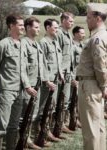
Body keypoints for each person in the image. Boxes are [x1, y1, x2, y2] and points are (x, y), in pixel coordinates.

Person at [0, 14, 25, 150]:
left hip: (20, 90)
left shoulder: (22, 44)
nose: (23, 27)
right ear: (11, 26)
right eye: (20, 25)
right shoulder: (2, 45)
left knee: (14, 125)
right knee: (1, 126)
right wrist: (1, 82)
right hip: (6, 90)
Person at [77, 3, 107, 150]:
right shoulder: (102, 35)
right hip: (95, 86)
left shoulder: (97, 39)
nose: (86, 20)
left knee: (91, 131)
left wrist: (103, 86)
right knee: (99, 128)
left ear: (97, 18)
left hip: (90, 86)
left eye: (89, 17)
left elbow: (100, 66)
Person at [21, 16, 53, 149]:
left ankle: (29, 139)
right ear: (28, 27)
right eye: (36, 27)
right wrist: (27, 85)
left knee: (32, 114)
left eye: (39, 27)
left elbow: (42, 65)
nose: (39, 30)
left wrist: (46, 80)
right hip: (27, 86)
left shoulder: (37, 44)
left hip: (37, 85)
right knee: (24, 115)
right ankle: (22, 140)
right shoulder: (23, 44)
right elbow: (22, 67)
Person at [38, 18, 62, 142]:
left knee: (51, 107)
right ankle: (41, 134)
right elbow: (42, 63)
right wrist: (47, 80)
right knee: (44, 108)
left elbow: (57, 61)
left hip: (55, 80)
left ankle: (47, 131)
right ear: (47, 28)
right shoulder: (43, 42)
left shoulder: (55, 42)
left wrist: (61, 74)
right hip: (48, 82)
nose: (57, 30)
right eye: (55, 27)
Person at [55, 12, 75, 134]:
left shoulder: (68, 34)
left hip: (68, 71)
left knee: (64, 100)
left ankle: (60, 124)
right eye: (70, 21)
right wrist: (60, 71)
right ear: (63, 21)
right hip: (60, 72)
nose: (72, 23)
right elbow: (57, 54)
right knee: (56, 100)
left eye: (73, 22)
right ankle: (53, 126)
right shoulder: (59, 34)